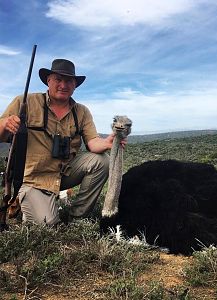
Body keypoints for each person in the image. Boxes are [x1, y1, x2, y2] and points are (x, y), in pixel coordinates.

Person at [0, 58, 125, 225]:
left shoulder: (81, 111)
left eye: (69, 81)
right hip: (34, 178)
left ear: (75, 85)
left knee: (102, 161)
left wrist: (108, 143)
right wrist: (4, 124)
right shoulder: (25, 102)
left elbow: (93, 142)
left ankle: (78, 218)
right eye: (58, 79)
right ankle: (26, 201)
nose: (63, 85)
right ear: (48, 81)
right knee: (47, 224)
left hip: (64, 173)